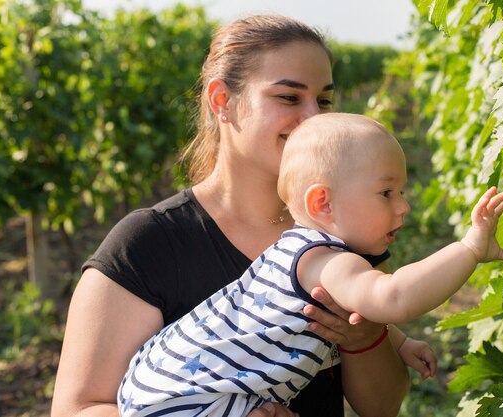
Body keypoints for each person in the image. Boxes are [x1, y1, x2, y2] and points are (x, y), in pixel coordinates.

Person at [52, 15, 433, 417]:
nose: (313, 117)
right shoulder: (148, 243)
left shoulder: (346, 231)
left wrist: (366, 339)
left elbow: (383, 407)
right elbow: (79, 410)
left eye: (323, 100)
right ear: (222, 101)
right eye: (289, 98)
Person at [118, 113, 503, 416]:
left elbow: (353, 309)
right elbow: (392, 296)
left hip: (159, 385)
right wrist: (469, 249)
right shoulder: (324, 261)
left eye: (402, 191)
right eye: (386, 192)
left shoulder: (297, 252)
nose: (404, 206)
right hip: (193, 402)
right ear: (322, 202)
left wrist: (401, 342)